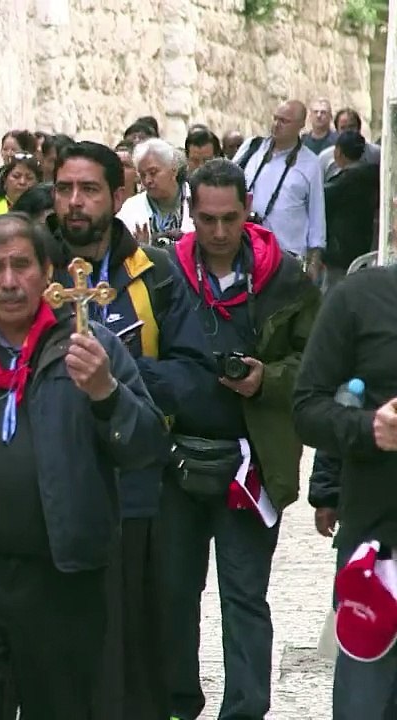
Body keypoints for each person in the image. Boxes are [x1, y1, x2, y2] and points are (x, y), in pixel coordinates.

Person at [0, 212, 168, 718]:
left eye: (22, 265)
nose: (10, 281)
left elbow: (146, 447)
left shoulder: (90, 349)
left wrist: (106, 393)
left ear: (48, 275)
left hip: (62, 578)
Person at [47, 141, 213, 720]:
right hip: (51, 485)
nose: (74, 203)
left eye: (89, 189)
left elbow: (194, 375)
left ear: (118, 195)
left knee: (145, 638)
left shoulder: (157, 274)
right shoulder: (25, 268)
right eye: (64, 189)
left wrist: (116, 370)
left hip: (141, 486)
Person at [162, 159, 320, 720]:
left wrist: (264, 379)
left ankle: (245, 710)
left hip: (252, 463)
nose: (220, 232)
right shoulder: (167, 273)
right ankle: (177, 702)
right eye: (207, 220)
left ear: (248, 207)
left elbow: (315, 365)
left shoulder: (288, 277)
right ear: (191, 213)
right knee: (173, 594)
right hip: (175, 460)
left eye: (230, 218)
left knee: (244, 596)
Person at [293, 263, 397, 720]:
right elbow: (307, 407)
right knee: (364, 706)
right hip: (378, 550)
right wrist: (369, 427)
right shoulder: (357, 299)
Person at [235, 100, 326, 279]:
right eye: (275, 118)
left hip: (286, 256)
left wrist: (314, 261)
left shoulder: (311, 164)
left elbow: (317, 215)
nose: (276, 125)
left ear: (300, 125)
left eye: (284, 121)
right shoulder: (253, 148)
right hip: (245, 249)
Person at [323, 130, 380, 290]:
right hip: (366, 247)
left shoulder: (339, 185)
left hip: (339, 253)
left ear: (338, 152)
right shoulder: (375, 177)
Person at [117, 138, 195, 244]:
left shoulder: (197, 199)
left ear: (174, 170)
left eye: (153, 172)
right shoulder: (130, 209)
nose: (147, 181)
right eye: (143, 175)